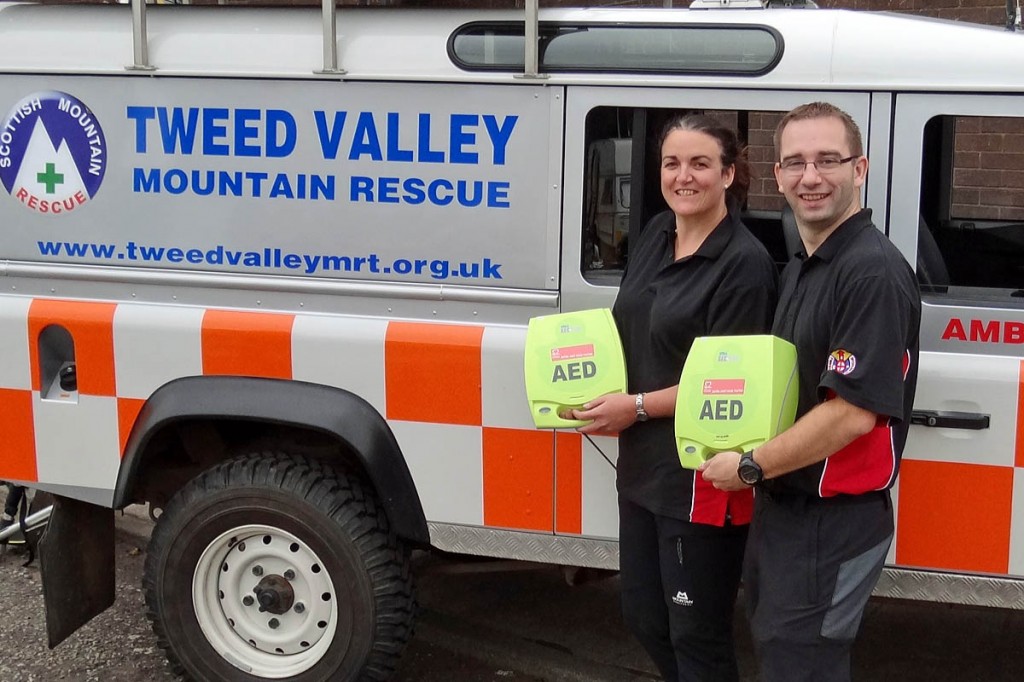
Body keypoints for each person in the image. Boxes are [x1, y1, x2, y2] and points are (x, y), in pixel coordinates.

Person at [700, 102, 921, 682]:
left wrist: (750, 466)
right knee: (783, 656)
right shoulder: (806, 263)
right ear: (777, 176)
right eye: (795, 162)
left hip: (831, 521)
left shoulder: (869, 270)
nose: (811, 176)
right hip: (790, 512)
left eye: (828, 160)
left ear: (860, 168)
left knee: (800, 666)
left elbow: (851, 414)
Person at [567, 113, 778, 682]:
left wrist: (632, 406)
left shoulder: (744, 265)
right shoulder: (657, 234)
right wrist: (578, 385)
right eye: (671, 163)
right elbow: (627, 330)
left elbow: (727, 384)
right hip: (642, 468)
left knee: (696, 632)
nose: (684, 176)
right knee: (643, 615)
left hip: (702, 475)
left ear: (730, 174)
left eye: (700, 163)